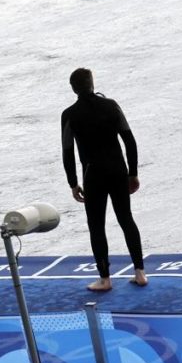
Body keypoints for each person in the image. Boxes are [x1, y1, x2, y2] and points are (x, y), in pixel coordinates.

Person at [61, 68, 147, 291]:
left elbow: (67, 151)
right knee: (126, 218)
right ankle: (140, 273)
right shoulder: (111, 105)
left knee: (96, 226)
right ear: (92, 83)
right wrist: (133, 172)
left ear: (73, 88)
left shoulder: (69, 115)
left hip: (93, 175)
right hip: (118, 171)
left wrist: (73, 183)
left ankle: (105, 279)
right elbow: (130, 140)